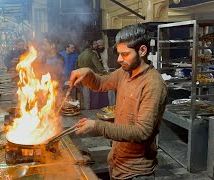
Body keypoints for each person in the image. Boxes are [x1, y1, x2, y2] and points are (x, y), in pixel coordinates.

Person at [70, 24, 168, 180]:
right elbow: (101, 83)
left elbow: (142, 132)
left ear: (142, 51)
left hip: (136, 172)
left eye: (125, 54)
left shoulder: (153, 84)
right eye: (119, 53)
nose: (119, 59)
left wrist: (97, 126)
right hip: (116, 162)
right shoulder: (124, 72)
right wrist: (88, 73)